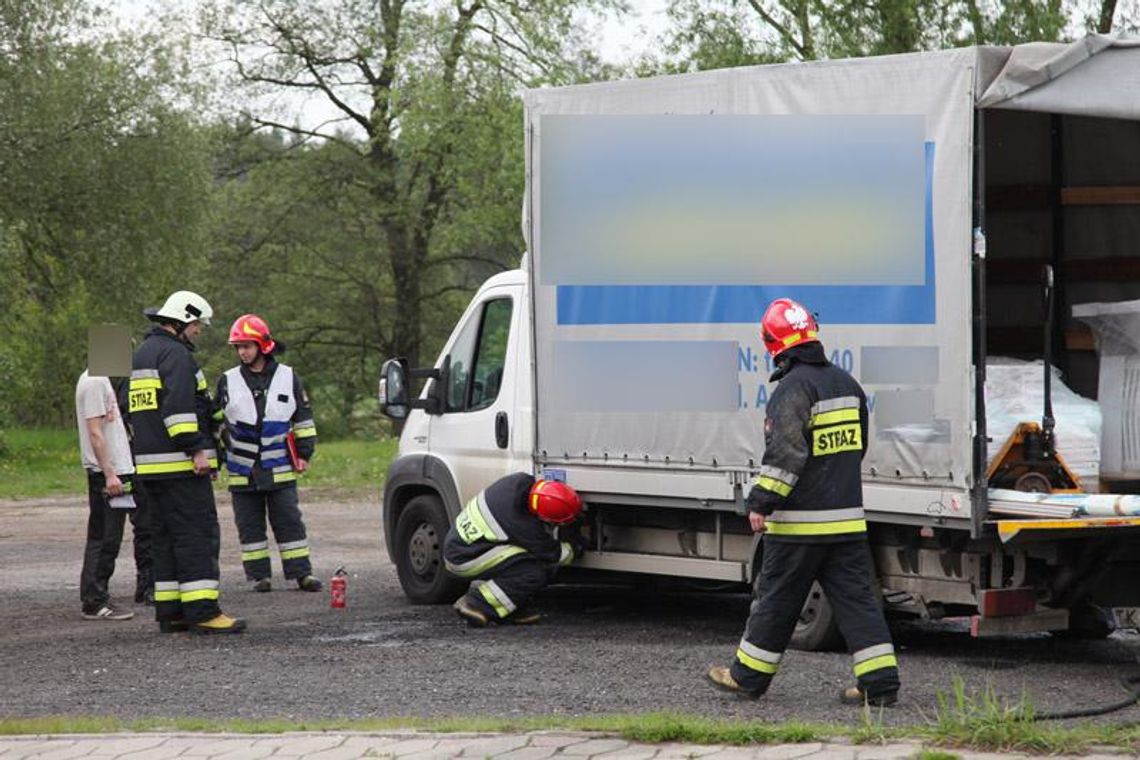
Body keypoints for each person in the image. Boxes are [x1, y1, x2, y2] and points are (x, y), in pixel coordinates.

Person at [707, 298, 900, 707]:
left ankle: (746, 678)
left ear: (773, 343)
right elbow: (857, 448)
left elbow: (786, 457)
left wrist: (760, 503)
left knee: (776, 600)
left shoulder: (792, 389)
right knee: (859, 604)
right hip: (846, 522)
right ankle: (879, 685)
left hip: (799, 526)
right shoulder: (847, 385)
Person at [127, 290, 246, 634]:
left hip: (150, 467)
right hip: (180, 465)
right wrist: (196, 450)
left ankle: (171, 610)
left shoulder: (142, 354)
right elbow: (179, 411)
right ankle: (203, 611)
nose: (198, 332)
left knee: (165, 537)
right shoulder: (176, 355)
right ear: (182, 321)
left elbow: (132, 409)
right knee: (196, 535)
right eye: (197, 325)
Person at [216, 314, 322, 593]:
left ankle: (301, 574)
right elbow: (214, 422)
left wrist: (304, 454)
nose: (242, 352)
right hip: (242, 470)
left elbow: (303, 420)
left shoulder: (288, 377)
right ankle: (258, 576)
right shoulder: (227, 380)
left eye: (247, 346)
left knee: (289, 522)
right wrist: (216, 458)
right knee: (249, 527)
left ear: (263, 345)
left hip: (280, 465)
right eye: (238, 347)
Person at [444, 473, 585, 626]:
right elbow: (554, 555)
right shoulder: (523, 526)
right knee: (531, 572)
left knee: (521, 559)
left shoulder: (519, 481)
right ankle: (477, 603)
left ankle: (511, 607)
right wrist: (576, 547)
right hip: (463, 558)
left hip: (462, 545)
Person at [75, 369, 153, 620]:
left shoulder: (100, 381)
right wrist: (109, 473)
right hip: (107, 473)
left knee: (108, 535)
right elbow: (95, 432)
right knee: (105, 537)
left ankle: (97, 595)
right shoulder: (95, 382)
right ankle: (94, 600)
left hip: (115, 470)